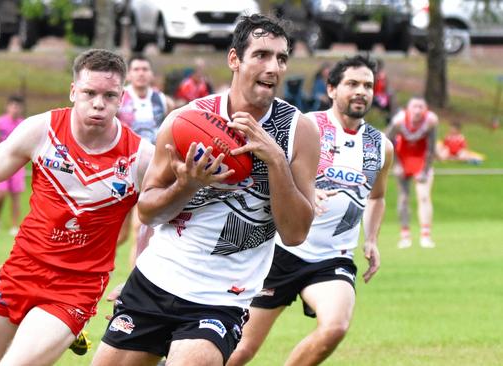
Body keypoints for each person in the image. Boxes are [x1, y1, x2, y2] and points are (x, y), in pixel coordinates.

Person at [92, 14, 320, 366]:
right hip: (156, 280)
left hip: (221, 297)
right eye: (261, 55)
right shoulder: (185, 121)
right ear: (234, 59)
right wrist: (187, 185)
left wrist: (274, 159)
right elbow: (149, 211)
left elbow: (295, 234)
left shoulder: (298, 132)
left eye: (281, 58)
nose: (273, 67)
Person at [0, 49, 154, 366]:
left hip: (76, 288)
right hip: (22, 271)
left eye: (110, 95)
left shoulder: (141, 158)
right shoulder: (42, 130)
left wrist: (139, 278)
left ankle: (66, 329)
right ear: (73, 91)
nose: (98, 103)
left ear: (121, 99)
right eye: (90, 92)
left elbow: (159, 222)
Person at [227, 55, 394, 366]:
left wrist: (371, 239)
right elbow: (270, 173)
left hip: (333, 257)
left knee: (335, 327)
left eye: (368, 86)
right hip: (281, 251)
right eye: (352, 84)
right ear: (331, 89)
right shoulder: (305, 127)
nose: (361, 91)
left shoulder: (380, 145)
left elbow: (376, 197)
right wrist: (305, 191)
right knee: (240, 351)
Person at [116, 54, 172, 266]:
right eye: (136, 69)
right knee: (119, 235)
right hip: (121, 171)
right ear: (129, 74)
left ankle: (134, 284)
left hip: (151, 171)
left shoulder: (162, 100)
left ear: (151, 74)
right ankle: (91, 268)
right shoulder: (120, 98)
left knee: (140, 229)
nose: (141, 73)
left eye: (144, 69)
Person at [387, 96, 439, 249]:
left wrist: (425, 169)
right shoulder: (399, 121)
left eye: (421, 107)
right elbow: (387, 141)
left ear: (426, 109)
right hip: (403, 158)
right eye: (414, 107)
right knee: (403, 198)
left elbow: (431, 147)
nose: (418, 110)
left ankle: (425, 235)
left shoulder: (431, 121)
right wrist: (396, 164)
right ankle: (405, 236)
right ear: (408, 109)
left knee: (424, 196)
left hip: (421, 159)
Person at [0, 95, 25, 236]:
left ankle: (14, 226)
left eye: (18, 106)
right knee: (0, 194)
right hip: (2, 163)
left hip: (18, 165)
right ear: (8, 107)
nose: (15, 109)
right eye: (13, 106)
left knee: (15, 196)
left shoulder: (24, 124)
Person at [372, 58, 397, 124]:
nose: (378, 68)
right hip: (373, 96)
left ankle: (391, 117)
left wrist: (388, 92)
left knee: (391, 95)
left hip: (381, 96)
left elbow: (386, 87)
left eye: (379, 66)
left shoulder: (383, 76)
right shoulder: (371, 75)